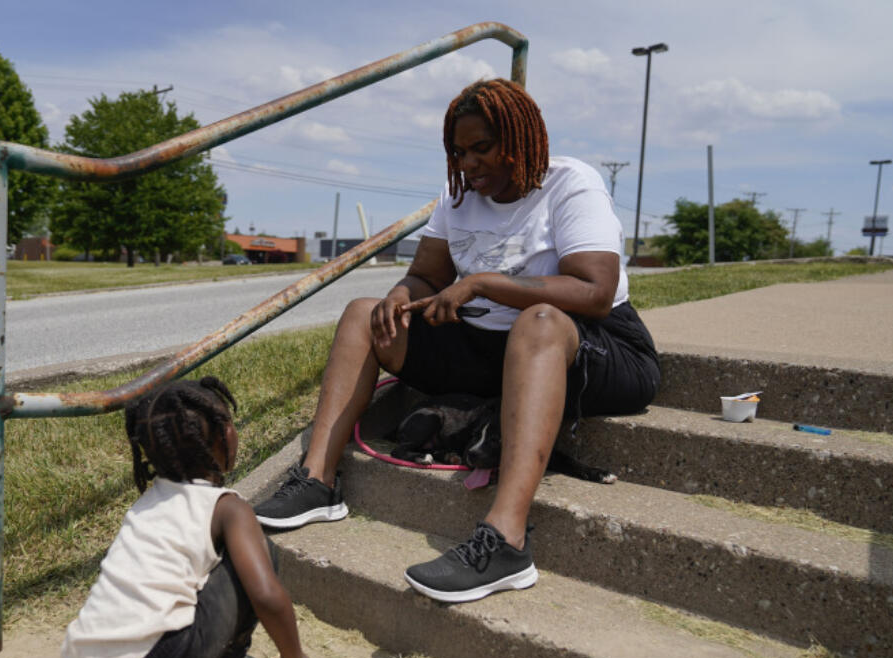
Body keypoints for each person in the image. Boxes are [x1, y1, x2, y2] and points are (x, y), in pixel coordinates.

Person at [254, 78, 660, 604]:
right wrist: (402, 295)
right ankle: (317, 481)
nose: (467, 163)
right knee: (362, 314)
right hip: (491, 348)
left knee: (536, 320)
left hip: (594, 346)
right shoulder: (458, 195)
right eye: (458, 151)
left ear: (522, 137)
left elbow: (595, 291)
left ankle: (506, 541)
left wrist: (484, 282)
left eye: (481, 148)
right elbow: (425, 276)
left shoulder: (570, 183)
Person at [61, 376, 318, 658]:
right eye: (229, 423)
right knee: (258, 558)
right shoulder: (228, 507)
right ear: (223, 437)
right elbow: (267, 597)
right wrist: (294, 657)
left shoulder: (148, 503)